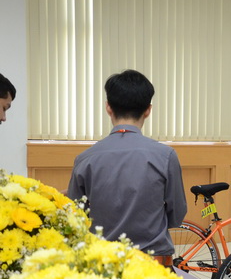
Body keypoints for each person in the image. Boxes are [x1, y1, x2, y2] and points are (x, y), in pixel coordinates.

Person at [68, 70, 187, 265]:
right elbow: (177, 214)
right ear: (148, 110)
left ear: (108, 107)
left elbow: (76, 215)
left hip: (102, 266)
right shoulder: (165, 156)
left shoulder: (85, 159)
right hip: (153, 266)